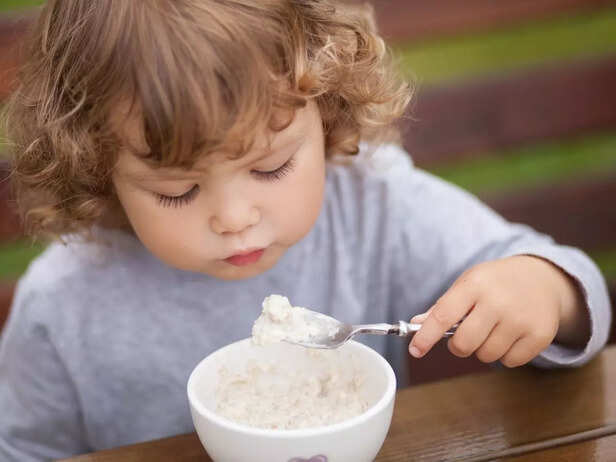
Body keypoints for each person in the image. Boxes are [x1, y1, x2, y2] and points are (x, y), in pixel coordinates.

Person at [0, 0, 611, 460]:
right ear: (97, 168)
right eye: (177, 190)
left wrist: (542, 291)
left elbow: (570, 287)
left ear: (327, 112)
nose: (235, 218)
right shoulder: (62, 308)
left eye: (271, 167)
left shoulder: (372, 205)